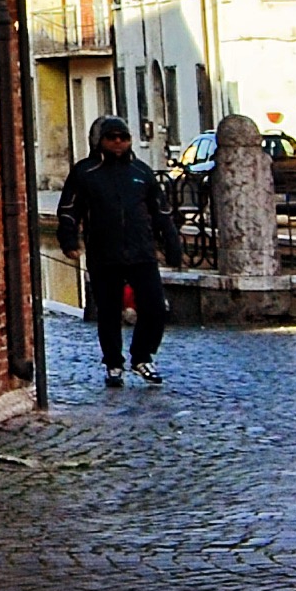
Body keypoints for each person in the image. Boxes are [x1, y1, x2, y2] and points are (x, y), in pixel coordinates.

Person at [55, 113, 178, 389]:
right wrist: (69, 241)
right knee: (108, 311)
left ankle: (142, 356)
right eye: (112, 138)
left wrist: (172, 244)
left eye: (124, 138)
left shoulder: (141, 172)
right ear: (101, 141)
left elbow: (161, 211)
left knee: (155, 307)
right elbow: (68, 211)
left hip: (141, 250)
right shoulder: (85, 172)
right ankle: (113, 363)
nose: (119, 143)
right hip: (104, 251)